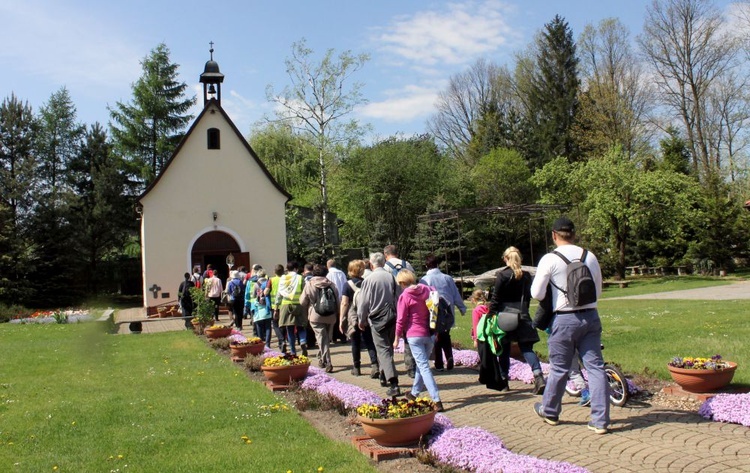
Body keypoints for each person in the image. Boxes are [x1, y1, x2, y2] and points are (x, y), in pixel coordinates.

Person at [530, 217, 608, 435]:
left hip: (564, 319)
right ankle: (600, 420)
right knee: (595, 367)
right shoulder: (589, 256)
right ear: (574, 234)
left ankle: (550, 411)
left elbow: (536, 293)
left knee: (560, 368)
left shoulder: (550, 259)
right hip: (591, 317)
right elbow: (598, 291)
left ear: (554, 235)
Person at [490, 246, 546, 395]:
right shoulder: (526, 276)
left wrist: (491, 313)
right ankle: (538, 375)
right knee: (527, 348)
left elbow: (496, 298)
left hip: (505, 315)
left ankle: (503, 381)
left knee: (504, 349)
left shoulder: (502, 275)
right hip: (522, 314)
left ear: (505, 259)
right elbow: (528, 296)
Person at [394, 269, 444, 412]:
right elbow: (436, 296)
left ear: (403, 282)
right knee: (421, 365)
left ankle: (437, 400)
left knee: (424, 367)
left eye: (400, 284)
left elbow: (401, 320)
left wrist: (397, 337)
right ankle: (414, 393)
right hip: (429, 334)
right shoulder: (427, 290)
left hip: (414, 335)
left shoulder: (405, 296)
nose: (400, 287)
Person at [357, 252, 401, 397]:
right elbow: (398, 297)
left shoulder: (369, 280)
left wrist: (361, 320)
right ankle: (384, 374)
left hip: (377, 319)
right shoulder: (392, 277)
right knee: (388, 349)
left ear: (371, 264)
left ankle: (394, 383)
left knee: (382, 350)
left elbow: (363, 303)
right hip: (392, 317)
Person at [419, 254, 466, 371]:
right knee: (445, 334)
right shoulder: (447, 278)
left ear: (426, 265)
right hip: (447, 311)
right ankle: (449, 356)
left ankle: (439, 363)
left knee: (436, 337)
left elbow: (422, 297)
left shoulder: (425, 279)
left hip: (433, 312)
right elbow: (456, 294)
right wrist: (462, 308)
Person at [340, 259, 378, 377]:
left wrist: (341, 319)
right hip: (366, 315)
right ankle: (375, 365)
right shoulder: (367, 282)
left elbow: (345, 303)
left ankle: (356, 368)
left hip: (353, 317)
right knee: (369, 341)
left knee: (355, 342)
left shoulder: (347, 285)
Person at [383, 244, 417, 378]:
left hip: (395, 305)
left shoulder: (385, 268)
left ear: (385, 255)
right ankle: (411, 367)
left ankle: (389, 368)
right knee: (408, 336)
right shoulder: (406, 264)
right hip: (411, 303)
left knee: (391, 337)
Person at [300, 264, 339, 373]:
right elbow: (337, 300)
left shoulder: (309, 284)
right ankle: (322, 358)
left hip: (315, 315)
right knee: (325, 339)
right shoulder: (332, 285)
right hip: (331, 316)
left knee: (322, 339)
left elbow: (302, 302)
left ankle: (328, 362)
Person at [275, 261, 308, 356]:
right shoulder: (300, 277)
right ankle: (302, 341)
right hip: (298, 304)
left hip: (286, 305)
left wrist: (276, 308)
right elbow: (304, 291)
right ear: (296, 269)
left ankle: (293, 351)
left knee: (289, 329)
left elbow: (279, 293)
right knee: (301, 326)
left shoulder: (283, 278)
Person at [326, 258, 348, 343]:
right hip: (342, 297)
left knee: (333, 318)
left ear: (328, 266)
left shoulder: (328, 275)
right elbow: (345, 283)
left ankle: (334, 337)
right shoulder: (342, 273)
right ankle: (343, 336)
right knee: (341, 316)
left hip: (333, 298)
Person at [266, 264, 286, 350]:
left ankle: (281, 340)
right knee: (283, 324)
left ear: (274, 272)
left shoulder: (271, 280)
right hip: (285, 304)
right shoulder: (286, 279)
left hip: (274, 305)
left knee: (275, 325)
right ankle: (282, 342)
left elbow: (266, 292)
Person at [253, 270, 273, 347]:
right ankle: (268, 343)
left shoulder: (256, 284)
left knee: (259, 325)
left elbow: (254, 296)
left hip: (259, 307)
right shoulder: (269, 282)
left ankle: (261, 342)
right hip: (267, 307)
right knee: (268, 327)